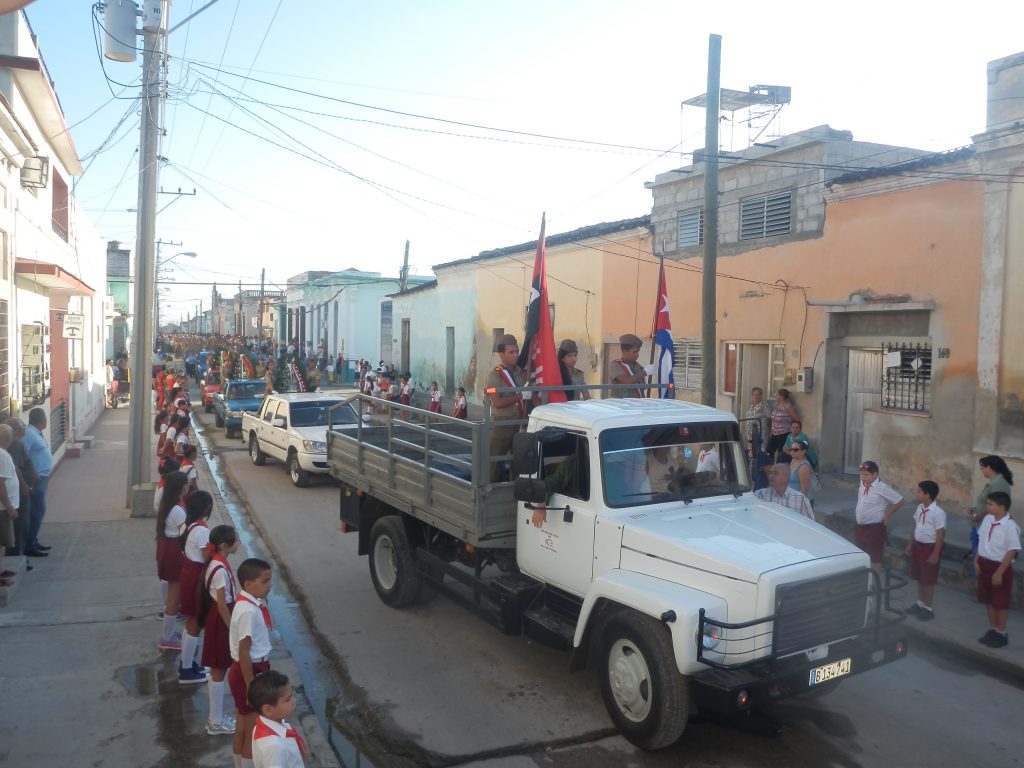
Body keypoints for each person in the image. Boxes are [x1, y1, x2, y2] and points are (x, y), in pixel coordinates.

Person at [230, 558, 275, 766]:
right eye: (265, 581)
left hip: (244, 670)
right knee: (252, 731)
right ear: (248, 584)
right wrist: (252, 687)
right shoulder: (248, 611)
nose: (270, 585)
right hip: (250, 670)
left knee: (242, 725)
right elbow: (245, 652)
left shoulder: (247, 604)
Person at [202, 524, 240, 737]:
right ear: (225, 545)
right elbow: (223, 605)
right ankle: (215, 721)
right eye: (235, 540)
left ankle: (215, 719)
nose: (238, 543)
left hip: (219, 618)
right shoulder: (219, 568)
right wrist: (233, 629)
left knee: (219, 667)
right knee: (219, 668)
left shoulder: (217, 562)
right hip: (221, 620)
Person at [975, 492, 1020, 648]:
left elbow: (1012, 550)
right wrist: (976, 560)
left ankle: (1001, 632)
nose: (987, 507)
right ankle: (993, 628)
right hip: (984, 563)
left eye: (990, 504)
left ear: (1001, 507)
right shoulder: (987, 520)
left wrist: (999, 572)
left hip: (999, 566)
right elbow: (981, 540)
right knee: (988, 598)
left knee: (1000, 601)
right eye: (987, 503)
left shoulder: (1010, 526)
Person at [178, 491, 214, 684]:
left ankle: (187, 663)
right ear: (206, 508)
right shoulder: (201, 531)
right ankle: (186, 670)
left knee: (191, 622)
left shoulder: (188, 524)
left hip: (189, 574)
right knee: (196, 623)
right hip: (196, 578)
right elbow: (207, 558)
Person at [156, 471, 190, 651]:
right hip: (175, 552)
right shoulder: (177, 510)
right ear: (181, 487)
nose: (188, 486)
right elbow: (186, 533)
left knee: (172, 595)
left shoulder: (168, 504)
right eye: (187, 483)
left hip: (167, 549)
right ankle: (167, 637)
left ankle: (168, 634)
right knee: (173, 599)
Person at [486, 335, 527, 480]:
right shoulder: (495, 375)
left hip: (519, 423)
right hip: (501, 424)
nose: (515, 355)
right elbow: (497, 402)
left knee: (519, 462)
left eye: (516, 351)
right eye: (511, 352)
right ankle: (490, 493)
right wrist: (520, 396)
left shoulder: (522, 374)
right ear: (502, 354)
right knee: (494, 463)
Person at [904, 481, 945, 622]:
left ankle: (928, 608)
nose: (917, 494)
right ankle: (920, 603)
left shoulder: (938, 513)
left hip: (929, 548)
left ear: (927, 495)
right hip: (918, 545)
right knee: (919, 576)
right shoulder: (920, 508)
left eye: (920, 492)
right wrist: (910, 544)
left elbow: (940, 534)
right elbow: (915, 526)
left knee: (928, 579)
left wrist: (935, 553)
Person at [249, 671, 306, 768]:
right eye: (288, 699)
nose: (294, 701)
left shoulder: (263, 724)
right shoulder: (274, 747)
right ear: (268, 710)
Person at [854, 460, 904, 572]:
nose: (863, 477)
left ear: (875, 474)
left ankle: (874, 585)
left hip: (874, 528)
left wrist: (887, 514)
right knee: (861, 556)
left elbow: (899, 501)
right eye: (861, 474)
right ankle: (863, 582)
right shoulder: (862, 483)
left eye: (866, 474)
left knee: (875, 558)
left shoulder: (882, 488)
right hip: (860, 527)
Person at [968, 455, 1013, 563]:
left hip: (987, 526)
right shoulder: (994, 482)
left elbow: (998, 506)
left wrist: (980, 514)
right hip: (981, 525)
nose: (982, 471)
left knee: (981, 557)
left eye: (982, 468)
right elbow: (988, 502)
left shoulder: (999, 484)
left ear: (988, 467)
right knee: (977, 554)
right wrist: (976, 509)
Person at [4, 418, 36, 564]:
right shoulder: (16, 445)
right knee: (20, 526)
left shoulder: (15, 444)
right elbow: (16, 468)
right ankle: (17, 557)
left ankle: (21, 553)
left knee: (23, 525)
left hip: (21, 491)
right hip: (20, 493)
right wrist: (24, 485)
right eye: (23, 425)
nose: (26, 427)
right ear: (17, 430)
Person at [23, 407, 53, 558]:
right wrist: (33, 474)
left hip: (42, 478)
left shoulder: (35, 433)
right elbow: (24, 456)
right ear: (43, 420)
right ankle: (29, 545)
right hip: (36, 480)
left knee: (36, 511)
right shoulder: (29, 434)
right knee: (37, 511)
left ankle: (33, 541)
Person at [0, 425, 19, 587]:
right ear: (7, 438)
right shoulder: (2, 455)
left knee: (2, 543)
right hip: (2, 508)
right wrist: (10, 508)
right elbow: (0, 484)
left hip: (4, 507)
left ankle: (1, 570)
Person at [610, 334, 654, 398]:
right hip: (622, 404)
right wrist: (645, 372)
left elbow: (642, 388)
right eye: (634, 352)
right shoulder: (616, 365)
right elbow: (626, 381)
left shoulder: (638, 366)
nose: (637, 355)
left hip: (637, 404)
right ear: (624, 352)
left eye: (638, 352)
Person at [767, 389, 798, 460]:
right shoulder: (776, 405)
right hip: (774, 433)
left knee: (781, 454)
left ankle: (781, 468)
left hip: (784, 433)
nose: (776, 396)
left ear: (781, 396)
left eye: (777, 394)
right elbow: (773, 419)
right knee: (769, 451)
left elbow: (796, 419)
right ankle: (769, 468)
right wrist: (771, 431)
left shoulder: (788, 407)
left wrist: (794, 430)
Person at [787, 440, 815, 504]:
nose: (792, 452)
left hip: (801, 502)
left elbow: (804, 490)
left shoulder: (804, 467)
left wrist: (796, 503)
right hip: (792, 499)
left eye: (796, 450)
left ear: (803, 451)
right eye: (791, 449)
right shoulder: (793, 460)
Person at [744, 386, 770, 451]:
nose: (757, 396)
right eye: (755, 394)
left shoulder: (764, 406)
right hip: (750, 434)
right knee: (751, 452)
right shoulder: (751, 405)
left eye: (759, 394)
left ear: (761, 395)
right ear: (752, 395)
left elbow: (770, 418)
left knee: (761, 451)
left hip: (761, 434)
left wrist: (770, 431)